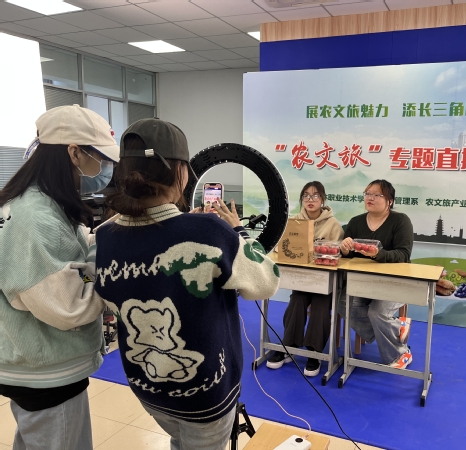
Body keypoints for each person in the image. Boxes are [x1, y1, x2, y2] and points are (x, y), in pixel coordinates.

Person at [93, 118, 280, 450]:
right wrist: (237, 231)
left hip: (146, 389)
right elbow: (266, 281)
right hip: (205, 396)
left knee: (178, 440)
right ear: (181, 172)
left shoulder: (104, 235)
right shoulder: (210, 232)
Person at [0, 104, 119, 450]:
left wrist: (104, 233)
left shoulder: (33, 202)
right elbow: (72, 304)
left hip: (30, 365)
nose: (105, 168)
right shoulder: (35, 219)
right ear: (75, 153)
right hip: (46, 375)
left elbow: (65, 256)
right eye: (100, 158)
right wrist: (103, 253)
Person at [267, 181, 344, 377]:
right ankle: (288, 346)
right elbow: (279, 247)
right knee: (297, 300)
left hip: (325, 280)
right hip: (302, 279)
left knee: (320, 304)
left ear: (322, 199)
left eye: (315, 196)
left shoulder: (333, 224)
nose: (310, 200)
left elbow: (338, 254)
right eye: (306, 196)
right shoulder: (293, 221)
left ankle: (314, 352)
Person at [340, 179, 414, 369]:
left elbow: (403, 254)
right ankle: (396, 330)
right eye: (367, 194)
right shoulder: (356, 222)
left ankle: (400, 354)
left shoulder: (401, 221)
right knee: (343, 303)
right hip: (363, 282)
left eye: (376, 195)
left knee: (377, 313)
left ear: (390, 201)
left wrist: (377, 254)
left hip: (395, 282)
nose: (370, 198)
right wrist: (345, 249)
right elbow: (348, 255)